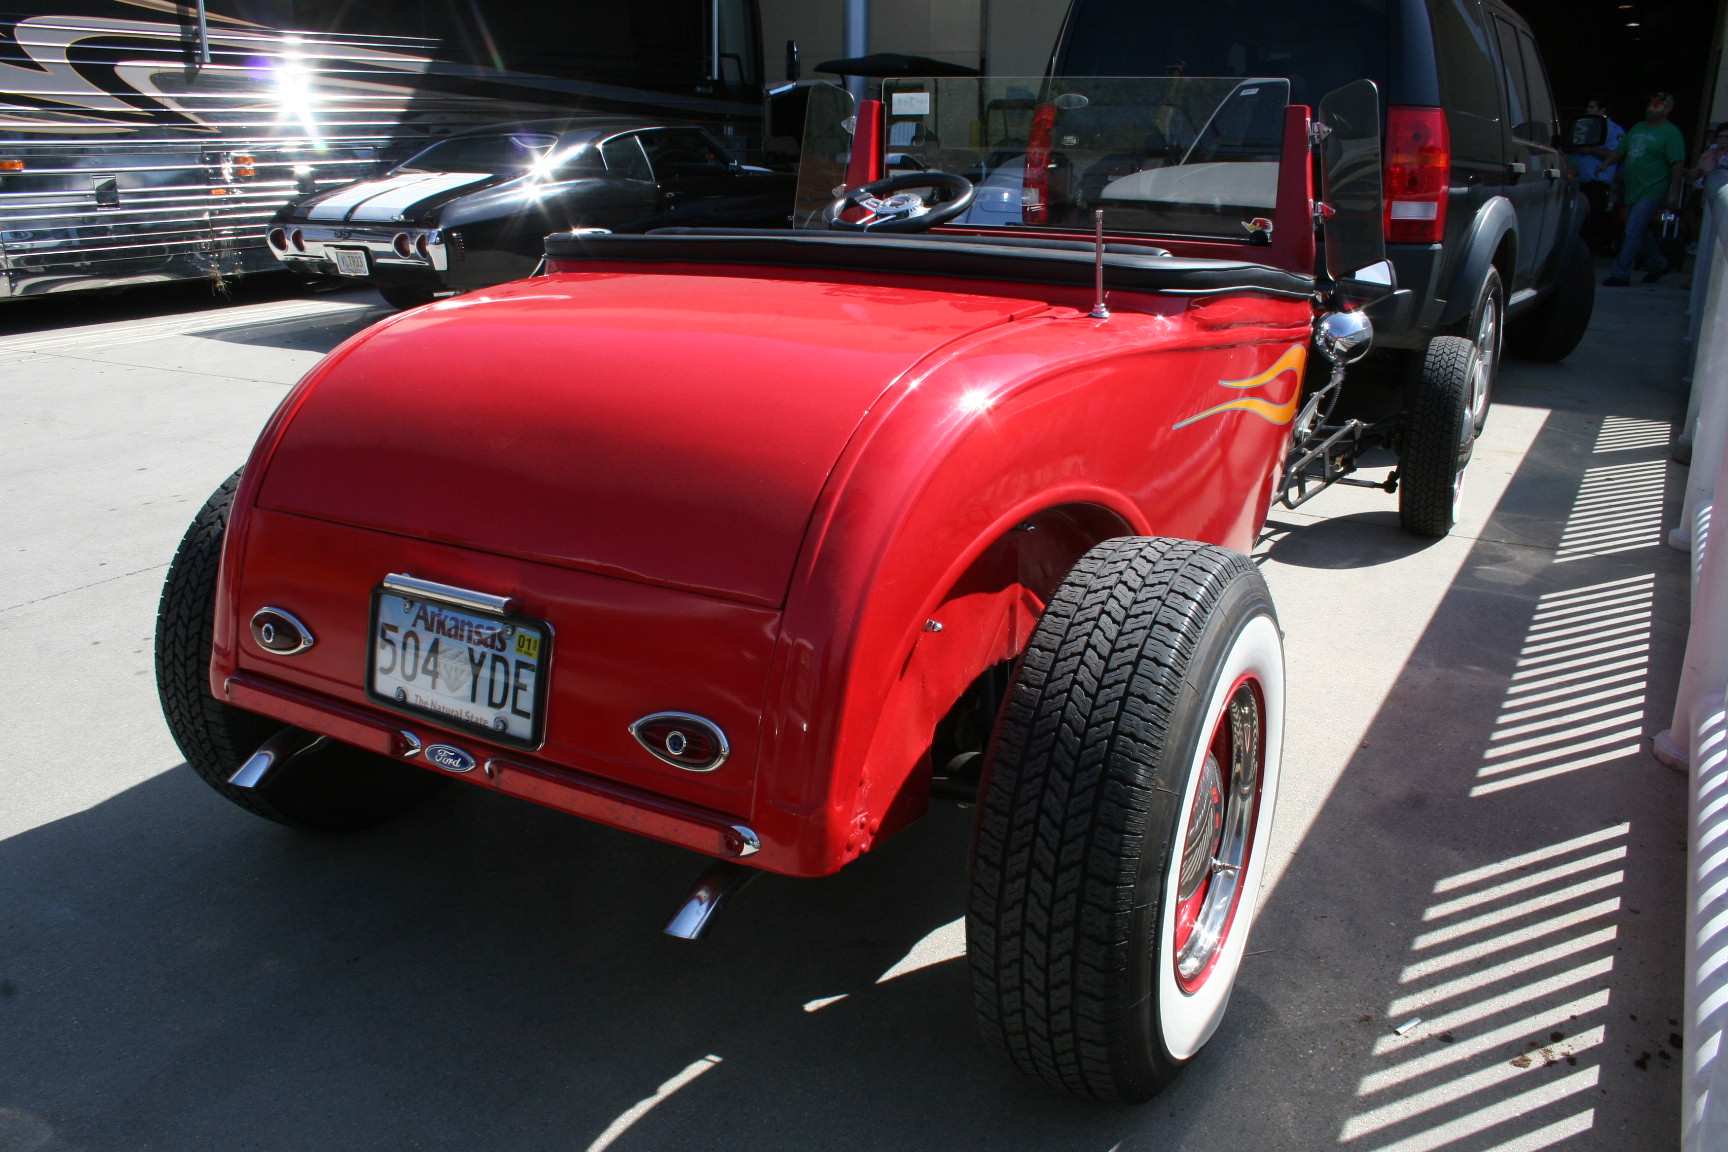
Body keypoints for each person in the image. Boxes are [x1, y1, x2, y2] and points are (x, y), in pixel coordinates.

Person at [1597, 92, 1688, 285]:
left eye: (1656, 106)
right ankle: (1659, 264)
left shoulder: (1671, 133)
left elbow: (1677, 165)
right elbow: (1621, 151)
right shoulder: (1638, 127)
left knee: (1633, 229)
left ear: (1667, 109)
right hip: (1632, 188)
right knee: (1639, 230)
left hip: (1653, 190)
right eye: (1649, 105)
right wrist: (1606, 164)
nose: (1650, 109)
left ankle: (1620, 274)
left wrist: (1674, 193)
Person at [1571, 97, 1624, 254]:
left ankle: (1587, 253)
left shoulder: (1614, 130)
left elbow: (1616, 154)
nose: (1588, 110)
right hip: (1576, 181)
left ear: (1602, 110)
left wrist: (1591, 150)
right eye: (1588, 107)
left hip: (1596, 184)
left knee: (1592, 221)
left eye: (1592, 107)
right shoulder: (1581, 126)